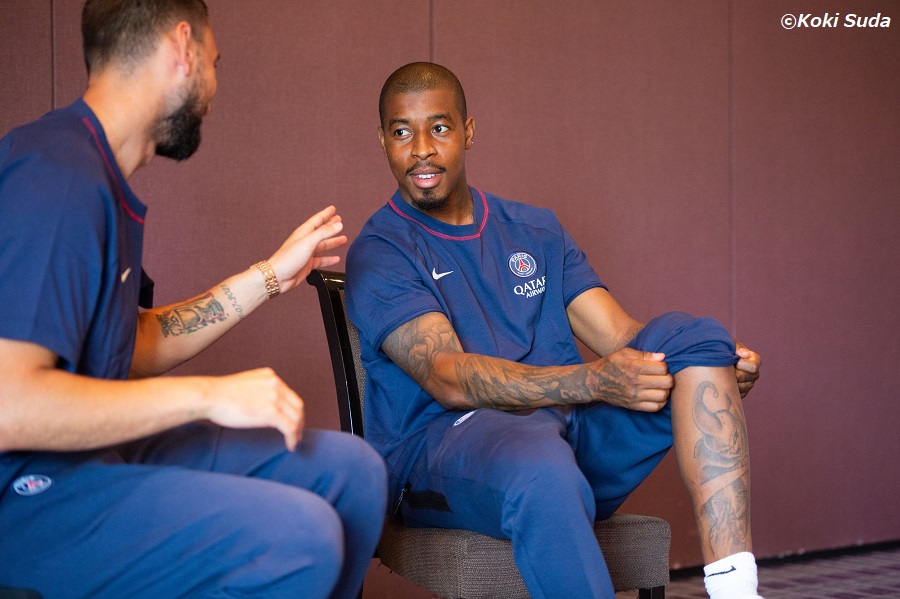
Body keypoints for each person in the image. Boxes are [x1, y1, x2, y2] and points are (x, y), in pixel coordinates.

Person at [0, 2, 387, 597]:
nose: (213, 87)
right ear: (183, 46)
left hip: (92, 455)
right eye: (213, 62)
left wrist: (269, 276)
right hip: (26, 491)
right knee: (299, 536)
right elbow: (10, 406)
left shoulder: (96, 175)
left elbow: (133, 343)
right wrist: (209, 395)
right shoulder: (57, 177)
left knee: (352, 473)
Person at [346, 61, 764, 599]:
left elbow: (621, 335)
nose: (421, 149)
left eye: (439, 127)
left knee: (696, 338)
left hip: (567, 432)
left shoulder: (535, 229)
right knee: (540, 462)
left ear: (468, 132)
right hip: (447, 455)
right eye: (402, 132)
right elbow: (447, 377)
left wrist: (707, 366)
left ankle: (736, 590)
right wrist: (592, 382)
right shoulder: (381, 251)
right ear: (383, 140)